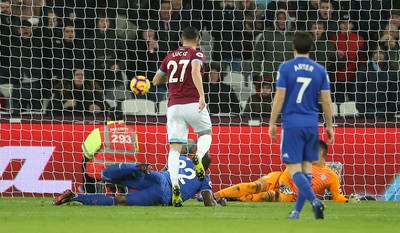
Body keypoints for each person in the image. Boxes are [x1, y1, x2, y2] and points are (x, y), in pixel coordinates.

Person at [268, 32, 334, 219]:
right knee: (307, 169)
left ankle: (315, 201)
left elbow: (280, 96)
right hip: (312, 124)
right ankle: (296, 212)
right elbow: (327, 101)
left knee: (293, 169)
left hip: (292, 124)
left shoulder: (286, 68)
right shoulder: (320, 70)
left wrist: (272, 122)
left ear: (293, 47)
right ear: (311, 48)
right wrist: (329, 125)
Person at [152, 27, 212, 207]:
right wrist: (202, 95)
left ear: (181, 39)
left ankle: (175, 184)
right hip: (193, 102)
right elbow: (194, 71)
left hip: (174, 106)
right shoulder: (197, 54)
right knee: (205, 133)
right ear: (198, 40)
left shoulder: (170, 56)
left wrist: (170, 77)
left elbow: (156, 81)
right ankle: (198, 156)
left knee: (175, 148)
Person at [53, 154, 225, 207]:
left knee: (117, 174)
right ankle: (75, 197)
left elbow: (166, 171)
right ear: (207, 167)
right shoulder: (205, 177)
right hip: (163, 194)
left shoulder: (182, 157)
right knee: (118, 201)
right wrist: (219, 204)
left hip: (157, 177)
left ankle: (133, 168)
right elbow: (209, 202)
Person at [214, 140, 356, 204]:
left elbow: (338, 197)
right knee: (254, 186)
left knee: (266, 197)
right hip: (280, 179)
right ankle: (215, 196)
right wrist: (282, 183)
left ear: (319, 153)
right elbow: (287, 172)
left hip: (291, 196)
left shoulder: (331, 176)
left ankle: (235, 198)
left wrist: (348, 201)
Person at [80, 107, 138, 193]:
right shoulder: (132, 132)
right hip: (127, 170)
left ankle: (89, 192)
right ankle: (121, 190)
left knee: (85, 161)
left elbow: (87, 153)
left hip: (104, 170)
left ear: (107, 118)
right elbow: (136, 151)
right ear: (123, 118)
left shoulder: (100, 131)